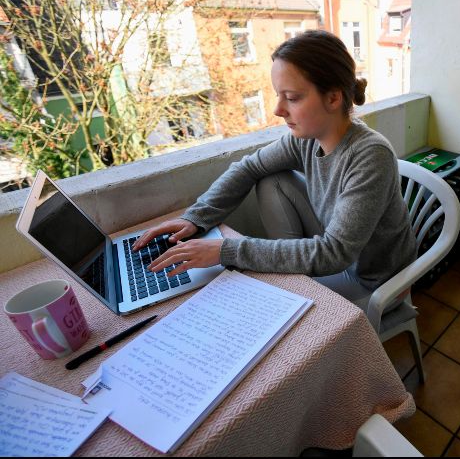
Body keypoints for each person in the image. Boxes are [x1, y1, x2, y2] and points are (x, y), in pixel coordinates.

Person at [132, 30, 417, 312]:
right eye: (278, 95)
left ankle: (296, 282)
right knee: (270, 179)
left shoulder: (370, 155)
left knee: (265, 297)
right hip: (339, 250)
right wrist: (196, 217)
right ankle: (297, 278)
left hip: (374, 280)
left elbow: (335, 253)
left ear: (333, 98)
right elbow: (249, 167)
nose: (278, 110)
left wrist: (224, 251)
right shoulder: (306, 139)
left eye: (291, 98)